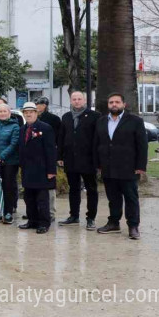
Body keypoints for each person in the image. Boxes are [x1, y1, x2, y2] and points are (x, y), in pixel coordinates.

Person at [94, 93, 147, 240]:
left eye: (117, 102)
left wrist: (141, 166)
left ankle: (133, 226)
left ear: (124, 104)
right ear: (108, 105)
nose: (114, 104)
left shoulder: (135, 121)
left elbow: (142, 145)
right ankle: (114, 223)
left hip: (128, 167)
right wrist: (97, 164)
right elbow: (96, 144)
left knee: (131, 198)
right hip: (108, 167)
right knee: (113, 198)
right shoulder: (101, 121)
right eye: (111, 102)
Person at [57, 91, 100, 230]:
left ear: (85, 100)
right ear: (70, 101)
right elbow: (61, 138)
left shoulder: (95, 116)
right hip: (70, 159)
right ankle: (74, 215)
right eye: (74, 99)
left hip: (88, 160)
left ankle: (91, 218)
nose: (76, 101)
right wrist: (59, 156)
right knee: (74, 189)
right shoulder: (66, 117)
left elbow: (98, 139)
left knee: (91, 189)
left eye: (79, 99)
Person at [17, 102, 57, 234]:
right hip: (28, 170)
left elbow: (51, 150)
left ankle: (44, 223)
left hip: (42, 170)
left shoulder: (45, 128)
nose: (28, 114)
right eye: (26, 112)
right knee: (29, 198)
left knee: (42, 199)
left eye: (31, 112)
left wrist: (51, 171)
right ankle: (32, 221)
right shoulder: (22, 129)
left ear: (36, 113)